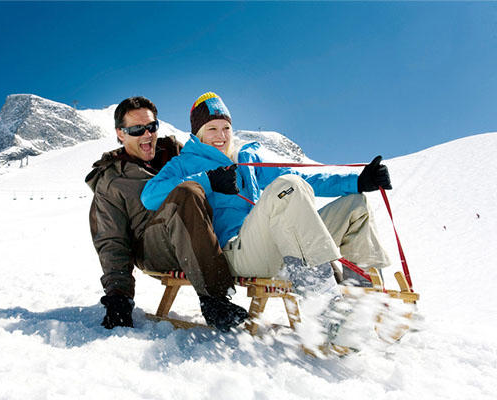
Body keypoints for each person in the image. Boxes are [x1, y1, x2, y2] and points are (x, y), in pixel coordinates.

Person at [141, 92, 393, 339]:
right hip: (233, 251)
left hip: (275, 246)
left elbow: (302, 178)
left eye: (226, 128)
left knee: (355, 205)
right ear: (198, 133)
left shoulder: (246, 159)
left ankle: (366, 304)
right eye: (212, 129)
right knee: (288, 188)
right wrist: (207, 180)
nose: (221, 136)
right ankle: (325, 308)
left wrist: (357, 181)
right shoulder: (185, 163)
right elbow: (150, 196)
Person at [85, 96, 249, 332]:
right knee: (186, 192)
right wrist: (119, 296)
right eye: (136, 130)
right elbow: (111, 241)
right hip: (153, 247)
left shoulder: (175, 154)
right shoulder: (112, 179)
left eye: (151, 127)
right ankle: (215, 300)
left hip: (202, 238)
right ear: (120, 134)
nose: (147, 135)